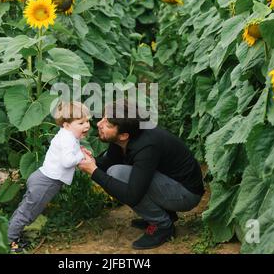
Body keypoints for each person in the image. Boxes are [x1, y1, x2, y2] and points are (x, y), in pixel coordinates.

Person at [78, 100, 204, 250]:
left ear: (124, 135)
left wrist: (93, 171)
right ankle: (166, 215)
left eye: (107, 124)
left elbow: (132, 196)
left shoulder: (147, 146)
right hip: (168, 182)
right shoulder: (128, 132)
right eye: (103, 118)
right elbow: (109, 161)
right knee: (115, 169)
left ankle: (162, 226)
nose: (99, 124)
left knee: (117, 173)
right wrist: (88, 160)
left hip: (186, 194)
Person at [7, 101, 90, 253]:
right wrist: (80, 156)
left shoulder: (67, 135)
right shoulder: (67, 138)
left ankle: (12, 234)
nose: (87, 126)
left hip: (42, 177)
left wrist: (79, 151)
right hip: (46, 182)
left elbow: (69, 151)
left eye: (87, 121)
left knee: (25, 208)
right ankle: (10, 241)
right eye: (81, 122)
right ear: (66, 125)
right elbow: (67, 162)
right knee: (28, 212)